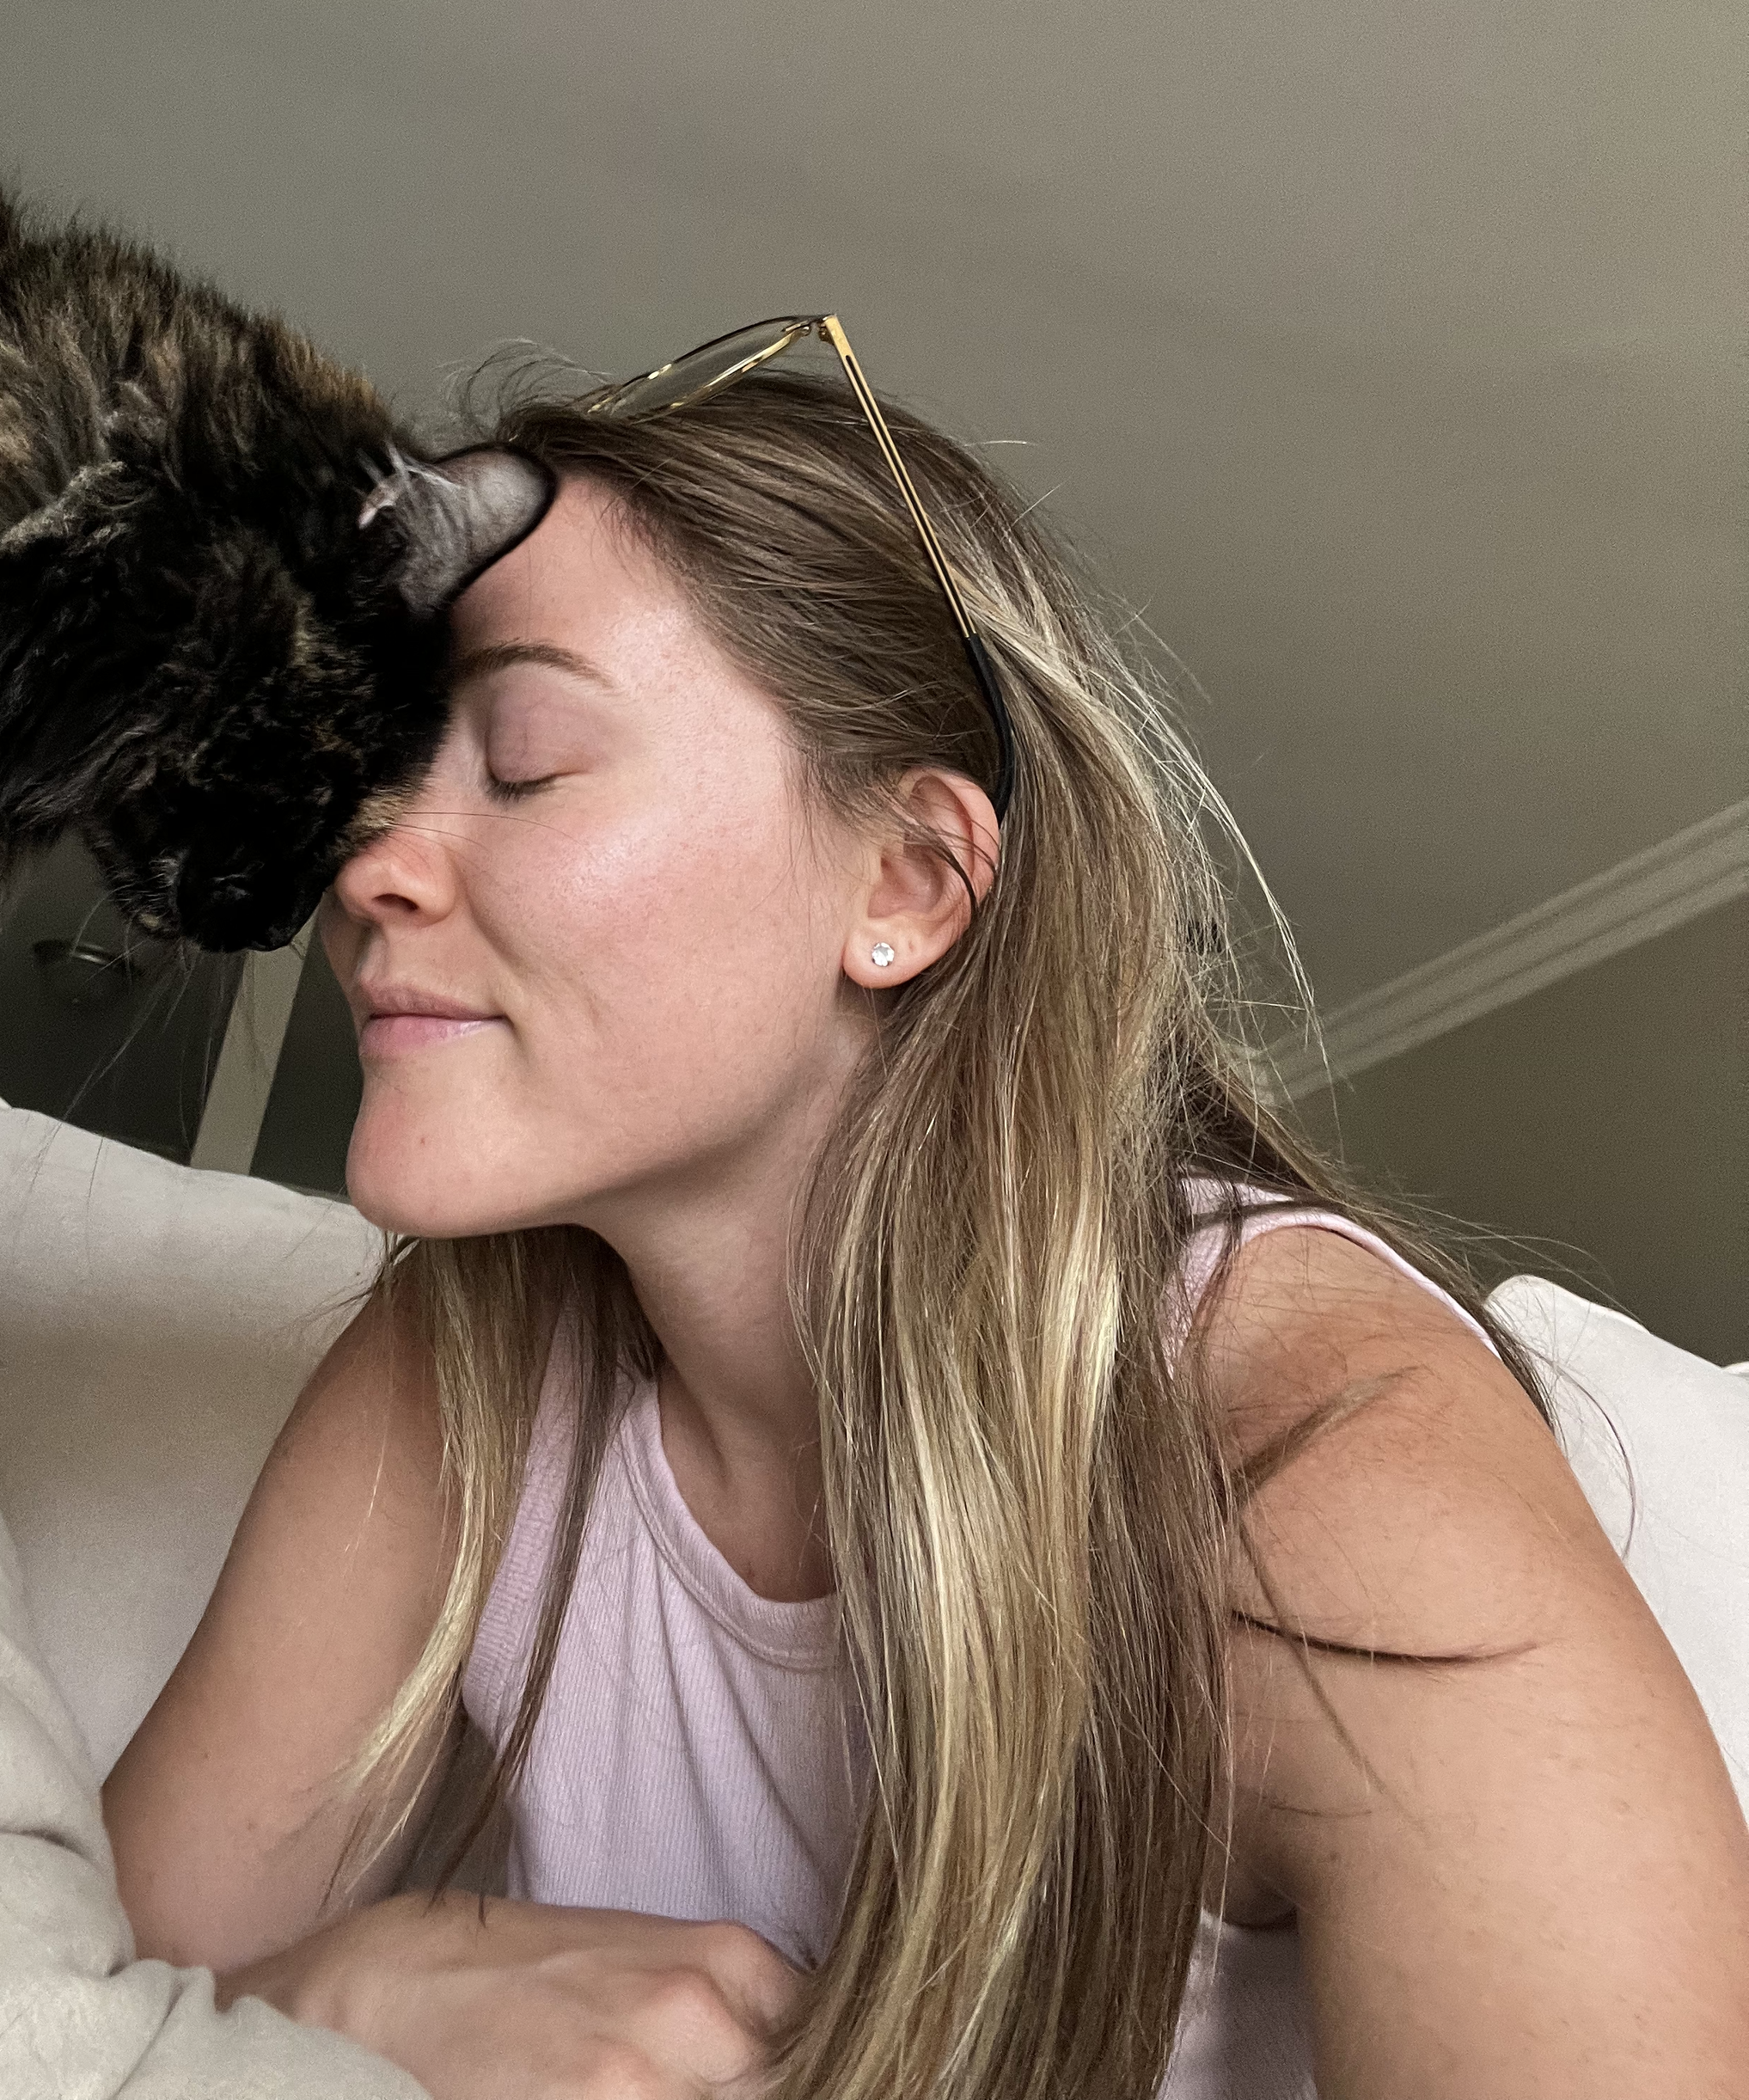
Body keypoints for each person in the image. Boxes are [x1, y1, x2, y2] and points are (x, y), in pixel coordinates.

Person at [103, 328, 1749, 2100]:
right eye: (372, 774)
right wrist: (351, 1990)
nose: (361, 869)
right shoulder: (465, 1361)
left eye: (517, 761)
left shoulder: (1313, 1475)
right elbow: (25, 2021)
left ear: (903, 882)